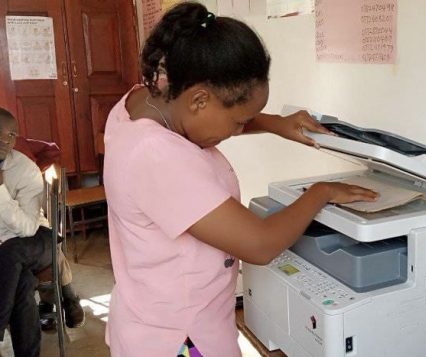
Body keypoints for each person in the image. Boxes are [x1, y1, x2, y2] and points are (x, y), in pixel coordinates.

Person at [104, 3, 378, 357]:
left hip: (153, 312)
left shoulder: (148, 97)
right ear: (199, 99)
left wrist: (275, 124)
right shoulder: (156, 156)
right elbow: (259, 245)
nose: (237, 131)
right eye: (238, 122)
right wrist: (320, 192)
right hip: (179, 338)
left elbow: (212, 113)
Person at [0, 108, 84, 357]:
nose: (5, 141)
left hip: (37, 240)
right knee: (22, 282)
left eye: (11, 135)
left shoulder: (24, 169)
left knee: (12, 252)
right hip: (8, 251)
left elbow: (27, 227)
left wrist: (0, 189)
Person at [13, 135, 86, 331]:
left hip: (29, 226)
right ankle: (65, 297)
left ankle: (48, 305)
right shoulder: (17, 143)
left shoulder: (16, 150)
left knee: (40, 244)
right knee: (47, 249)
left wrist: (36, 170)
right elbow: (52, 150)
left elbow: (52, 150)